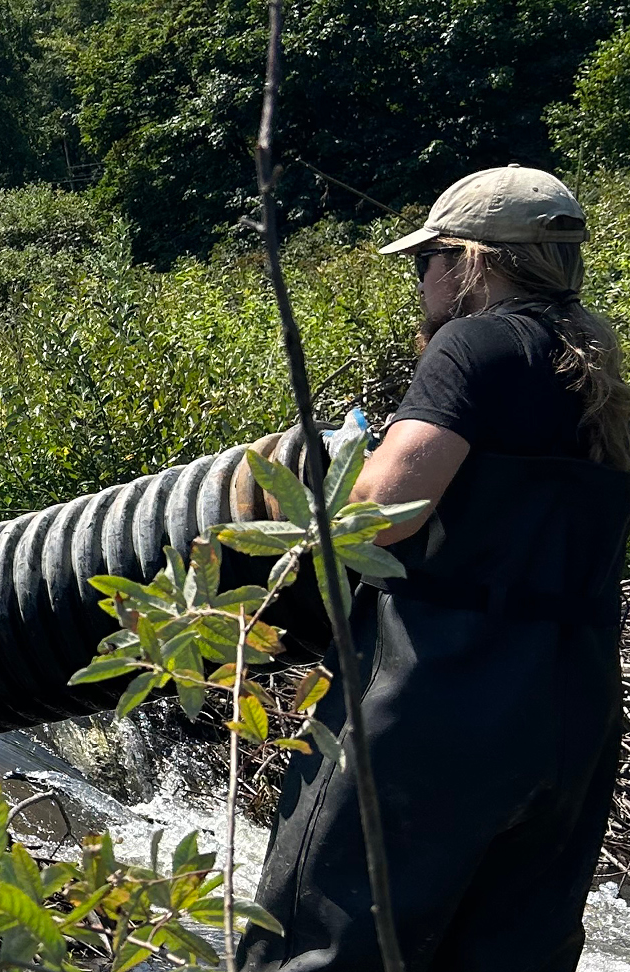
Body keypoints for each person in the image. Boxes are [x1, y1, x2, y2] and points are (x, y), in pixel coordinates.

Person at [241, 166, 630, 971]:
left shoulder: (477, 342)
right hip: (573, 719)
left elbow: (384, 513)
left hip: (439, 708)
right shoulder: (601, 368)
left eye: (426, 260)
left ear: (467, 259)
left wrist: (306, 483)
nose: (421, 280)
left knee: (318, 948)